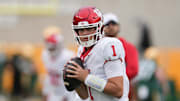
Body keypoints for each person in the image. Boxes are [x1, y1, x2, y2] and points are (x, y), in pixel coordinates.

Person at [65, 7, 129, 101]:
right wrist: (75, 80)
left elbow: (118, 90)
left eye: (89, 28)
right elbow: (86, 96)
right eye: (81, 30)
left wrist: (87, 78)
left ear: (99, 28)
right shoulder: (81, 50)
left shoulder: (109, 45)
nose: (85, 34)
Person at [41, 26, 74, 101]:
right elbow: (49, 76)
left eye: (53, 47)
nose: (50, 49)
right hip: (53, 89)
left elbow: (72, 79)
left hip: (66, 89)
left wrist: (67, 94)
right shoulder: (45, 54)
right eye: (49, 47)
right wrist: (45, 91)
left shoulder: (68, 56)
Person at [103, 13, 139, 81]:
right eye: (107, 24)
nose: (111, 27)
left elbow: (133, 70)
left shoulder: (128, 47)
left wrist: (115, 79)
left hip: (122, 88)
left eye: (113, 24)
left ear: (118, 27)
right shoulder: (98, 46)